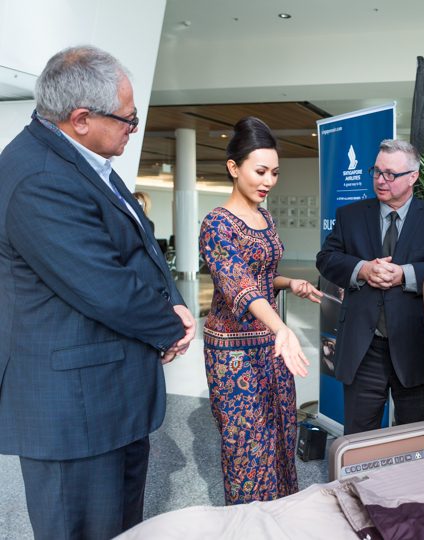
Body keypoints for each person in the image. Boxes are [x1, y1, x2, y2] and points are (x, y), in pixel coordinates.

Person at [0, 46, 196, 539]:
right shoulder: (39, 177)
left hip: (106, 394)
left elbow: (141, 244)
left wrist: (171, 302)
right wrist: (171, 325)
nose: (133, 128)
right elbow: (103, 285)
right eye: (128, 120)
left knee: (120, 529)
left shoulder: (80, 160)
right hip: (74, 410)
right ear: (82, 118)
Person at [199, 116, 323, 505]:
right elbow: (237, 281)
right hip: (233, 353)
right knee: (247, 446)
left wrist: (289, 284)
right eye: (260, 171)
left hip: (270, 346)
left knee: (281, 433)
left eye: (274, 172)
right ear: (234, 168)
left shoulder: (264, 217)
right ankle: (249, 524)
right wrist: (282, 328)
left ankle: (280, 517)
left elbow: (262, 275)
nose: (268, 180)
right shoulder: (216, 224)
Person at [316, 139, 424, 435]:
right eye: (377, 171)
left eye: (390, 174)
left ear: (413, 177)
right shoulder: (350, 216)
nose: (381, 180)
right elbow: (326, 259)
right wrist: (363, 269)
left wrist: (405, 275)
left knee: (412, 437)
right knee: (358, 435)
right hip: (363, 348)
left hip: (414, 348)